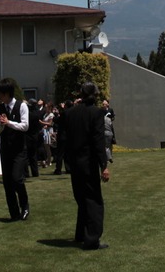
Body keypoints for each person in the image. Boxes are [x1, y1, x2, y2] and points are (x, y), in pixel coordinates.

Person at [64, 82, 111, 251]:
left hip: (74, 163)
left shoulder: (69, 113)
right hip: (88, 163)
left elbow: (65, 138)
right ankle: (91, 239)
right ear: (95, 95)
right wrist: (103, 165)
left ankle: (80, 234)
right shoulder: (97, 113)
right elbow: (98, 141)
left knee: (81, 199)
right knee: (94, 201)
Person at [0, 77, 30, 221]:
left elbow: (25, 126)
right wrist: (2, 125)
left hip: (19, 149)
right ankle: (14, 212)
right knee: (7, 182)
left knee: (17, 179)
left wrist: (9, 123)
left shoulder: (21, 106)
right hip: (5, 149)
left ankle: (25, 205)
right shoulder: (0, 108)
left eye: (1, 93)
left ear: (7, 93)